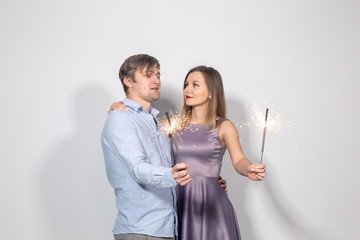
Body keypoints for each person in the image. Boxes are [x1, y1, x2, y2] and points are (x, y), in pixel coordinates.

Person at [101, 54, 192, 240]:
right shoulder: (120, 118)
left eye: (158, 75)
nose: (156, 80)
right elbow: (138, 169)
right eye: (148, 75)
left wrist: (209, 179)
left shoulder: (157, 123)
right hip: (141, 230)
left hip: (166, 228)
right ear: (128, 81)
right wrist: (171, 175)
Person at [173, 66, 266, 240]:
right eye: (186, 84)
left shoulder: (224, 126)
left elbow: (239, 160)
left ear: (211, 92)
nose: (187, 89)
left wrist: (249, 169)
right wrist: (120, 107)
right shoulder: (174, 127)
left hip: (212, 204)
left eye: (195, 85)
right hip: (180, 201)